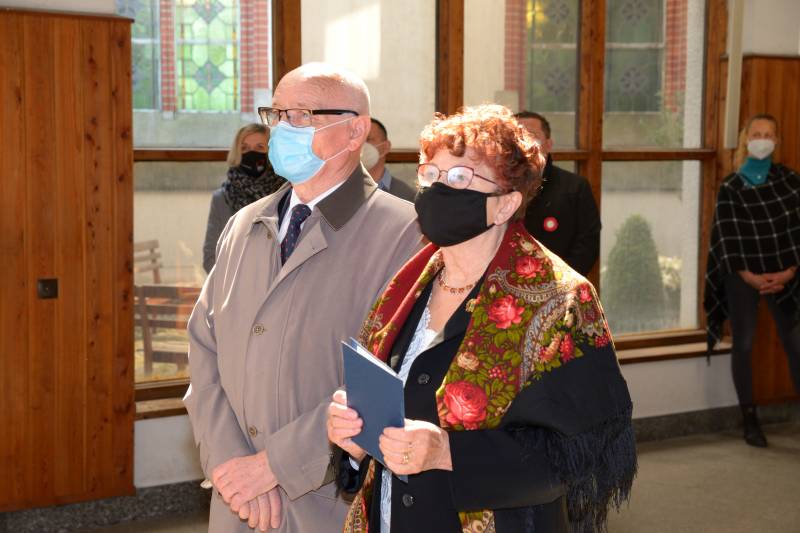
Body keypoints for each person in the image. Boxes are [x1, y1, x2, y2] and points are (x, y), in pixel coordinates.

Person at [328, 105, 636, 532]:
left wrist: (447, 452)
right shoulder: (407, 284)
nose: (437, 189)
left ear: (505, 204)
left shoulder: (561, 299)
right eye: (430, 174)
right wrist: (353, 441)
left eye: (459, 177)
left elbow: (573, 456)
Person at [184, 63, 422, 532]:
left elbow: (389, 377)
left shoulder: (406, 233)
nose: (282, 129)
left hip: (326, 499)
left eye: (302, 116)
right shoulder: (244, 224)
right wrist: (232, 463)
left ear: (355, 132)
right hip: (237, 499)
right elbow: (204, 349)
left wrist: (272, 466)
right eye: (276, 114)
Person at [705, 113, 800, 448]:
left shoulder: (791, 181)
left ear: (777, 141)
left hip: (786, 275)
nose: (762, 140)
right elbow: (727, 239)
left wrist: (789, 272)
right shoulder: (731, 186)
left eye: (768, 134)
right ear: (747, 140)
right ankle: (749, 418)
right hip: (743, 276)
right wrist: (752, 277)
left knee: (796, 344)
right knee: (743, 344)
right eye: (756, 134)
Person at [515, 111, 600, 276]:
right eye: (517, 137)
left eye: (531, 136)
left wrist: (563, 281)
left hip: (560, 282)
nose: (524, 143)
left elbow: (587, 244)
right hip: (505, 283)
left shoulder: (574, 187)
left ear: (548, 144)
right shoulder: (496, 186)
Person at [202, 123, 285, 273]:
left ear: (272, 152)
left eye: (260, 147)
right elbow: (210, 258)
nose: (251, 153)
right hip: (234, 283)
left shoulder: (286, 195)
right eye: (245, 148)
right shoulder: (222, 199)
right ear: (237, 153)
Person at [361, 118, 416, 201]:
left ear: (386, 147)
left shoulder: (406, 195)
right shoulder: (344, 190)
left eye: (368, 139)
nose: (361, 146)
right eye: (358, 140)